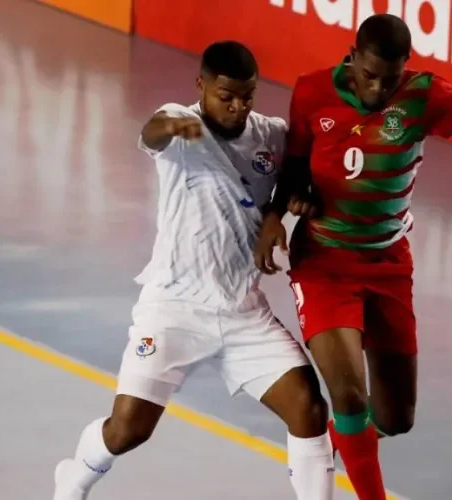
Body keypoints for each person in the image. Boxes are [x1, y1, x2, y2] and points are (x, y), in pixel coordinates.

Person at [254, 14, 452, 500]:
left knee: (396, 419)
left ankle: (340, 442)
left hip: (388, 264)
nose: (377, 89)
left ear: (405, 69)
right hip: (325, 262)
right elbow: (294, 165)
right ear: (351, 58)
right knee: (349, 395)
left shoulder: (427, 96)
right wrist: (278, 214)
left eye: (389, 79)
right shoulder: (312, 91)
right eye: (369, 76)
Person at [52, 41, 335, 500]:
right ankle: (73, 481)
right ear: (201, 86)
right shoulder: (181, 128)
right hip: (174, 308)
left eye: (248, 95)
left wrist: (281, 209)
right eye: (227, 96)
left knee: (308, 407)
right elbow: (153, 133)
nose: (239, 106)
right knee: (128, 429)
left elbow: (296, 173)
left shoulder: (271, 135)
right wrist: (172, 126)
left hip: (243, 311)